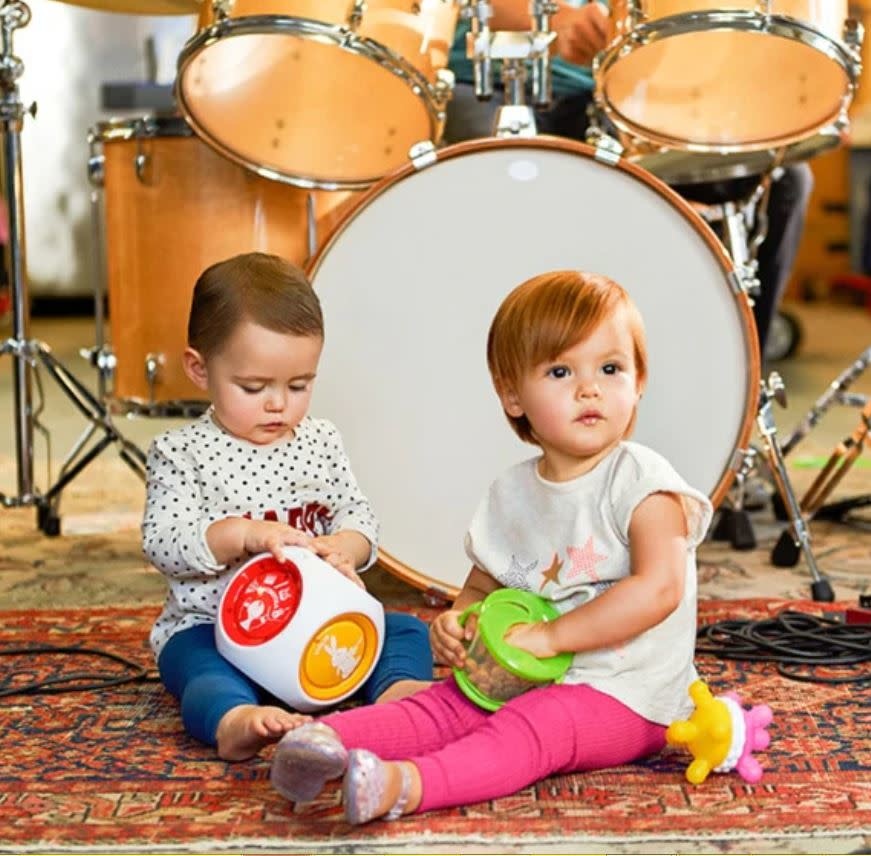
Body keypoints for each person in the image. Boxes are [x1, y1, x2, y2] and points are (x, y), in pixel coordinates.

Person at [269, 269, 713, 823]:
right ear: (512, 397)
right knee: (445, 704)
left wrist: (554, 636)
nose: (589, 387)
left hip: (628, 694)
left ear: (638, 379)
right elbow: (485, 584)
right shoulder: (513, 491)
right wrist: (459, 623)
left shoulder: (643, 481)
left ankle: (403, 786)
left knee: (532, 729)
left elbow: (661, 588)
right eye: (559, 371)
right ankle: (320, 744)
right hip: (523, 672)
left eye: (610, 368)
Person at [142, 252, 433, 762]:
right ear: (199, 368)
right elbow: (162, 540)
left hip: (318, 625)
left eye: (299, 385)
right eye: (253, 388)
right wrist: (242, 535)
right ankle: (236, 720)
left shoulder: (320, 441)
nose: (279, 403)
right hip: (220, 633)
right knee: (194, 666)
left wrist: (342, 546)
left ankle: (397, 700)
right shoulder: (181, 452)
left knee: (405, 628)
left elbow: (359, 516)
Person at [443, 0, 813, 360]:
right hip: (484, 81)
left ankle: (744, 385)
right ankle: (507, 361)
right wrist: (551, 19)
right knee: (506, 175)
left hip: (611, 96)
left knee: (785, 181)